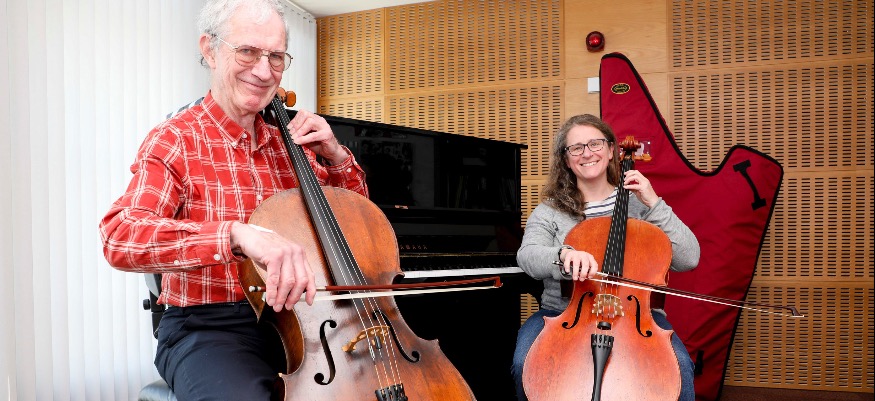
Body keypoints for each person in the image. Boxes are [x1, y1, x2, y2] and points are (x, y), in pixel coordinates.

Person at [98, 0, 368, 399]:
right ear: (209, 49)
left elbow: (357, 229)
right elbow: (121, 237)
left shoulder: (292, 143)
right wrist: (235, 236)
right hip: (209, 327)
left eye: (276, 57)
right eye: (247, 51)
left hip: (304, 319)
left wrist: (336, 155)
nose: (264, 71)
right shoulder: (175, 139)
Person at [510, 114, 700, 401]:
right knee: (524, 364)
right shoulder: (550, 210)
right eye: (576, 148)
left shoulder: (641, 207)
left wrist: (653, 202)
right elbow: (528, 256)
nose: (587, 153)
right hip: (561, 314)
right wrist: (564, 255)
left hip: (638, 318)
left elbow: (689, 258)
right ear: (566, 159)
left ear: (611, 150)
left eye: (595, 144)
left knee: (680, 369)